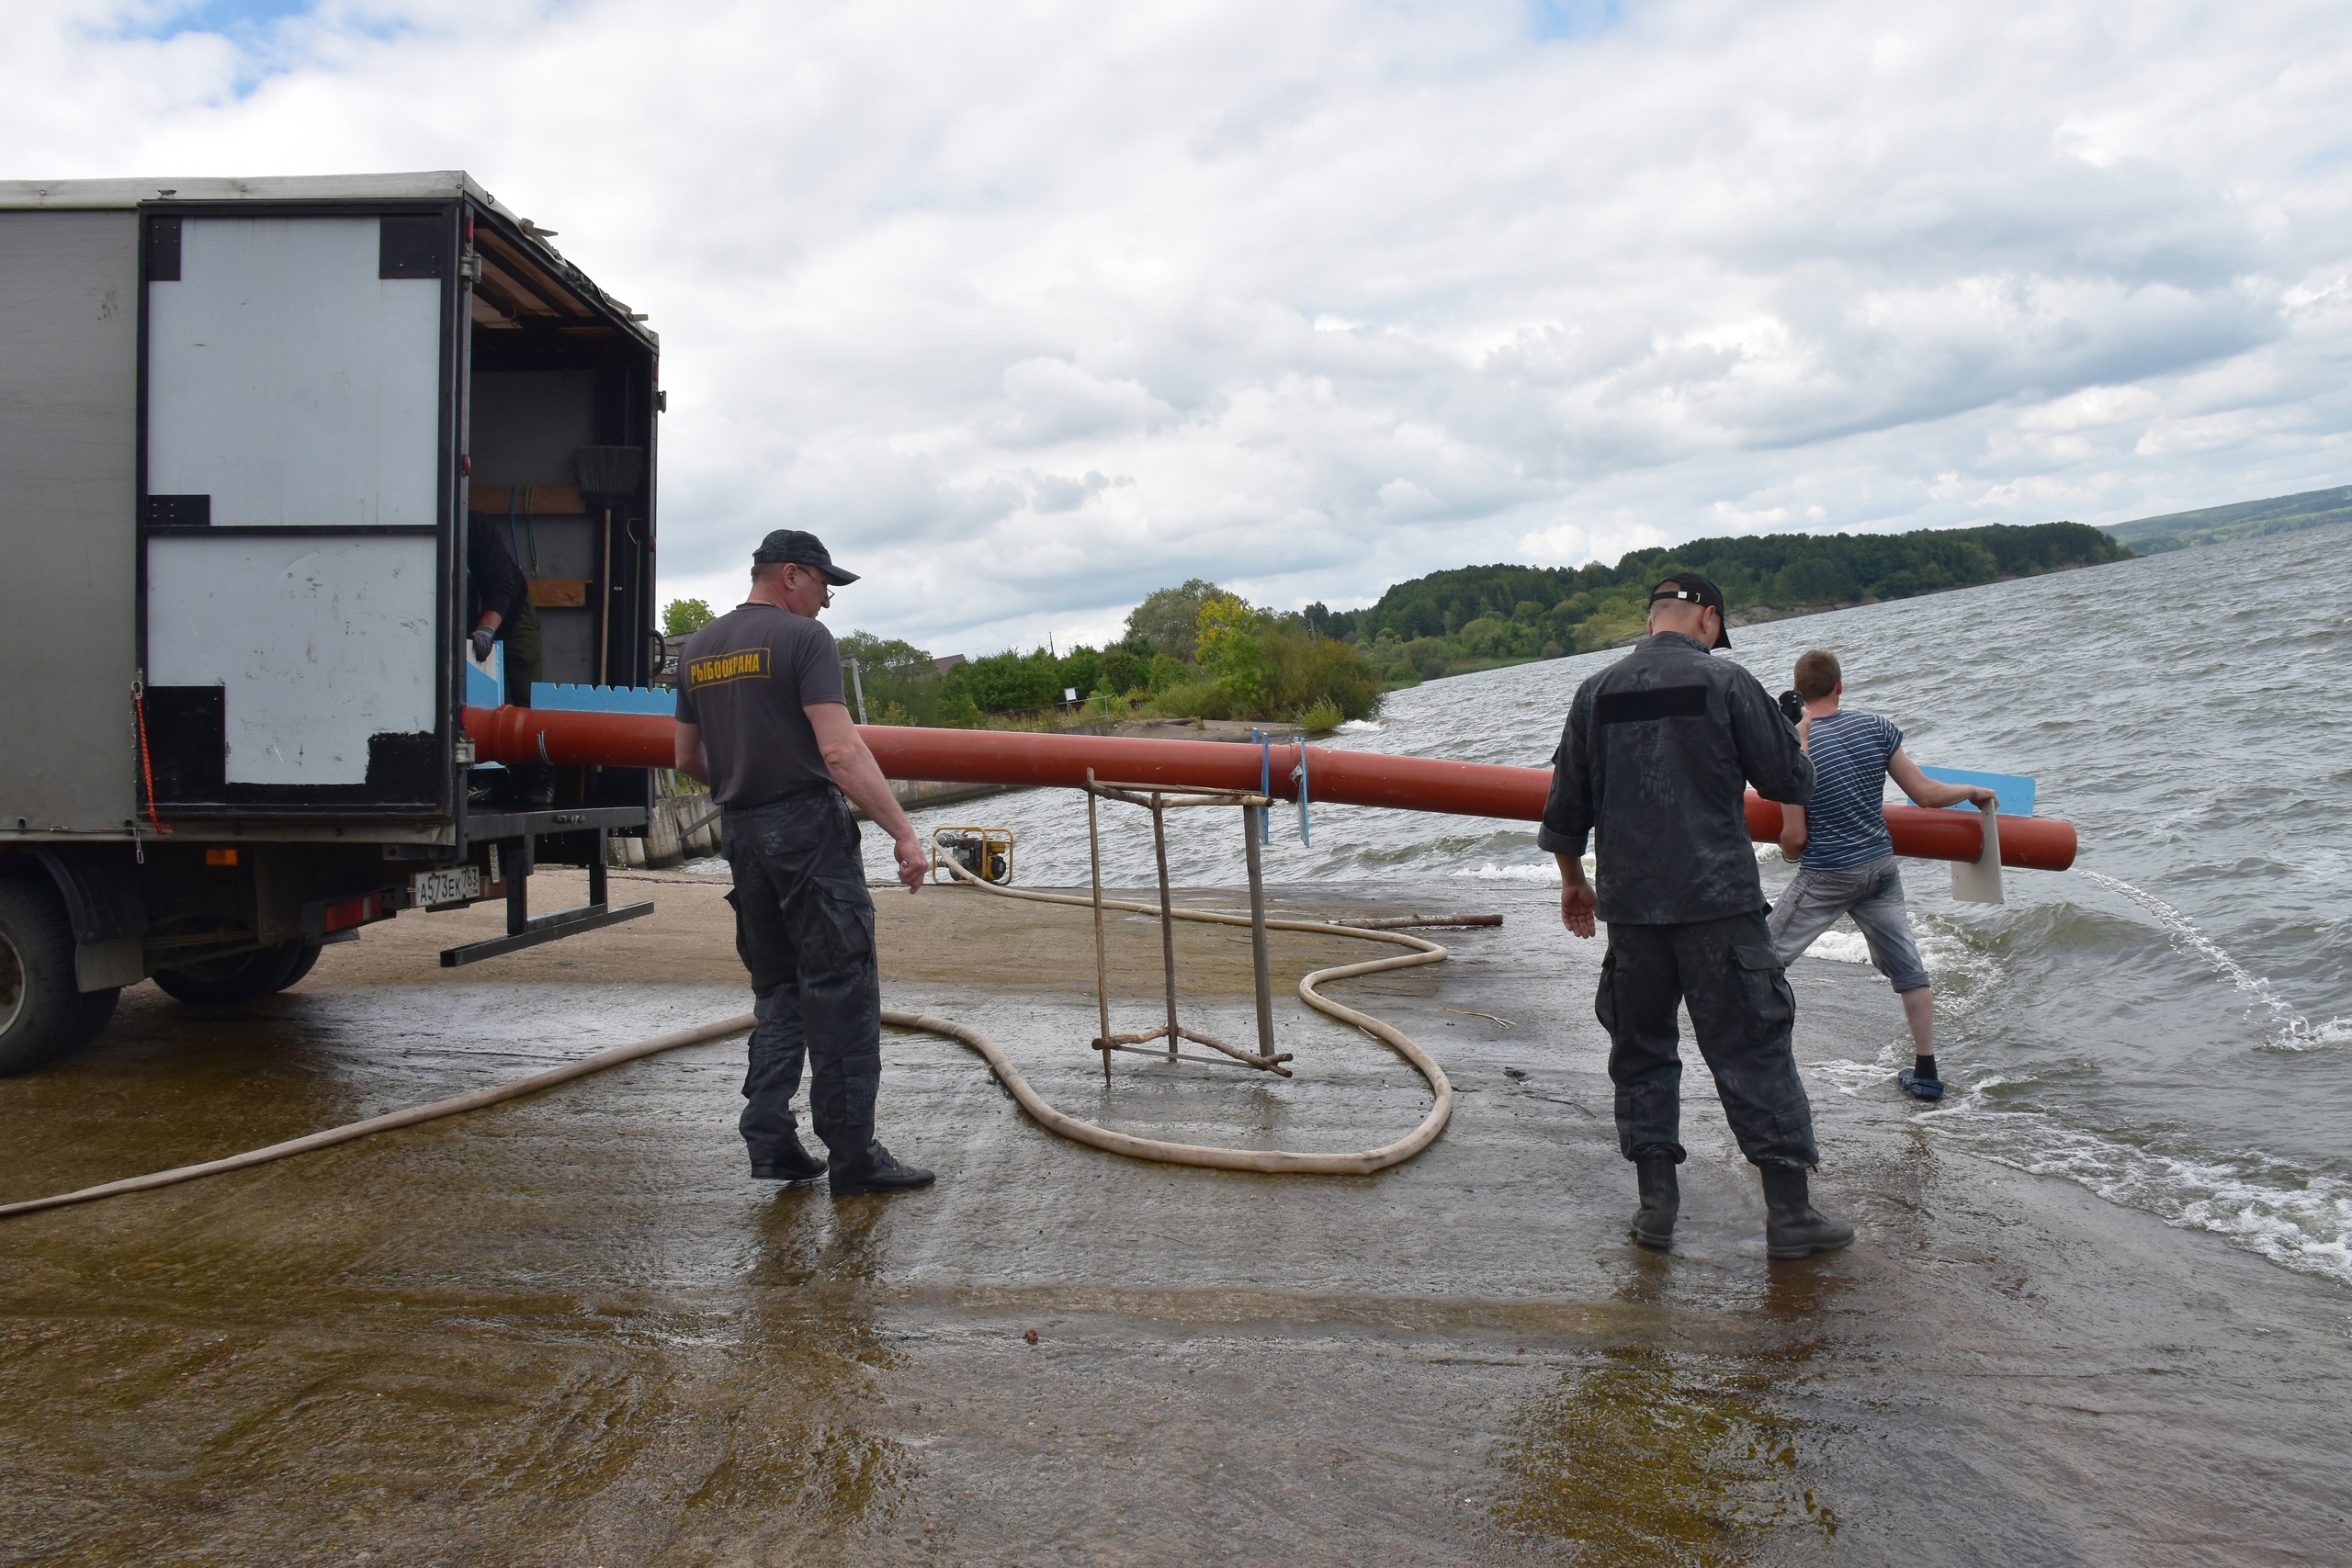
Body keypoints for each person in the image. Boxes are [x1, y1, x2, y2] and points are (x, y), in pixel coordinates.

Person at [1540, 573, 1854, 1258]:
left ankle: (1656, 1209)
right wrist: (1792, 733)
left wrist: (1574, 883)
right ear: (1708, 619)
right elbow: (1790, 782)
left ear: (1652, 620)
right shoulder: (1728, 682)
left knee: (1642, 1052)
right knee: (1754, 1049)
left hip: (1633, 914)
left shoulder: (1593, 693)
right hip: (1719, 909)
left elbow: (1564, 810)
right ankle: (1790, 1216)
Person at [673, 529, 935, 1197]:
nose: (826, 600)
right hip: (808, 834)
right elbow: (841, 752)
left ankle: (770, 1136)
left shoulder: (698, 648)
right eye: (823, 584)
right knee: (842, 988)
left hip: (744, 836)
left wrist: (745, 781)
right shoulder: (804, 640)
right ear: (790, 574)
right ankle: (854, 1158)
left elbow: (687, 758)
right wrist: (904, 833)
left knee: (778, 989)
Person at [1769, 649, 1997, 1103]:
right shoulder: (1877, 728)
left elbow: (1795, 838)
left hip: (1828, 873)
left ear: (1797, 692)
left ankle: (1762, 1061)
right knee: (1910, 970)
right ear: (1840, 686)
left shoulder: (1793, 746)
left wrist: (1788, 852)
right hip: (1880, 869)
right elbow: (1926, 794)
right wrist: (1973, 790)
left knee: (1762, 960)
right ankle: (1927, 1073)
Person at [465, 518, 551, 806]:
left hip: (512, 615)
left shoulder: (477, 529)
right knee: (471, 700)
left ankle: (539, 781)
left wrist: (486, 628)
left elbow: (503, 585)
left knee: (527, 695)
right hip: (463, 625)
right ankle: (480, 782)